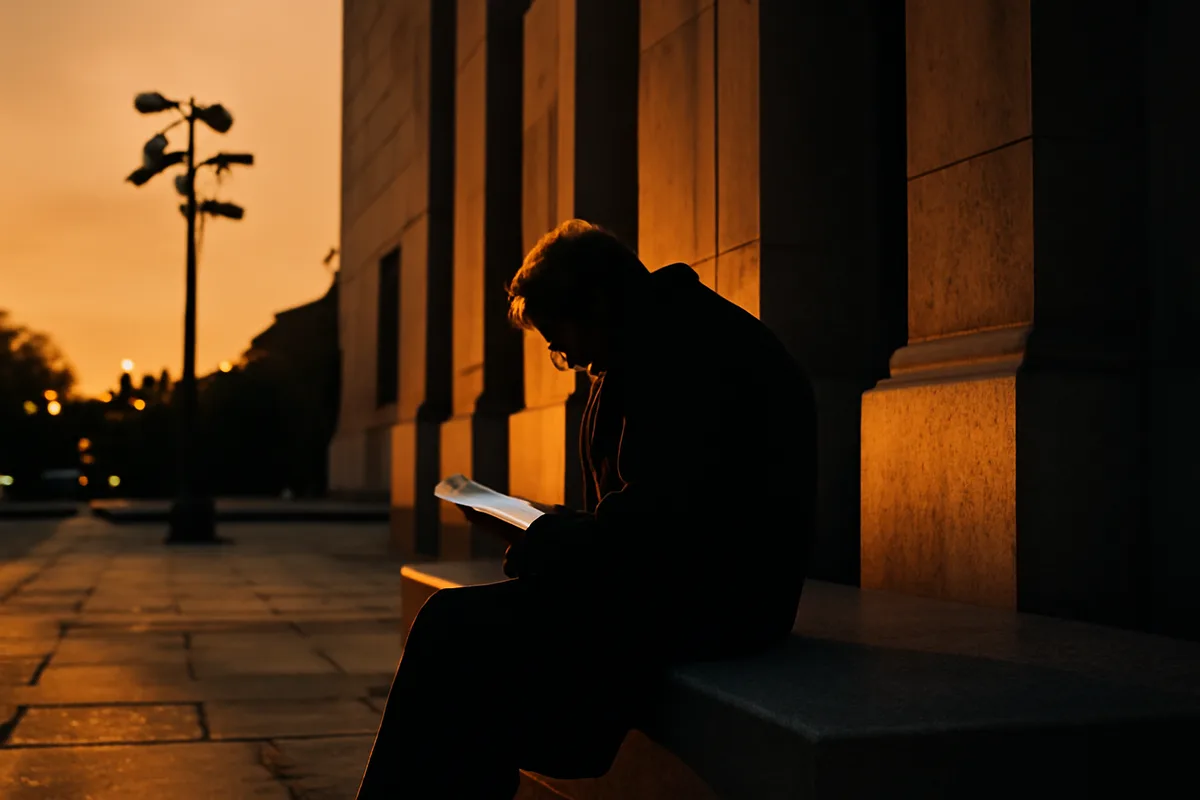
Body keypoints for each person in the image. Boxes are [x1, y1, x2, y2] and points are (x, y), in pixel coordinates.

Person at [356, 220, 817, 798]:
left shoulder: (688, 351)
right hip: (679, 584)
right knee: (456, 658)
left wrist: (545, 538)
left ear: (597, 302)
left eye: (559, 339)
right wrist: (549, 530)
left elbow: (661, 531)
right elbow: (648, 513)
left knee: (455, 641)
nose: (566, 355)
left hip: (719, 599)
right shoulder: (655, 338)